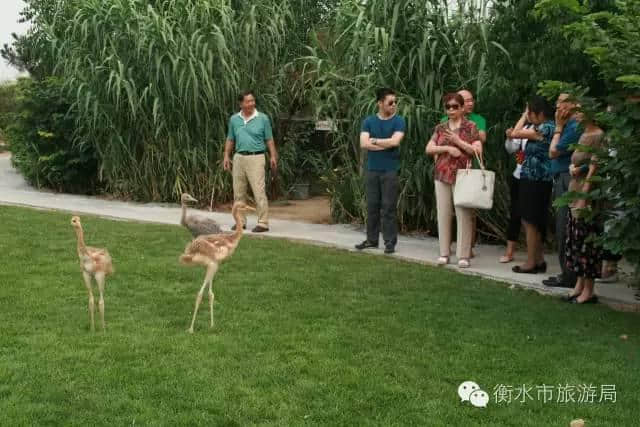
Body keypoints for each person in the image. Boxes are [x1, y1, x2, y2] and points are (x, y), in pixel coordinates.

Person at [426, 93, 482, 268]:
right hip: (442, 174)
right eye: (448, 107)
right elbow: (429, 148)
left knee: (463, 214)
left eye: (455, 106)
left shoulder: (471, 126)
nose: (451, 110)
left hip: (463, 175)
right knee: (443, 213)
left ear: (462, 108)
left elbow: (477, 151)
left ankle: (463, 255)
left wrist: (458, 142)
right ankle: (444, 252)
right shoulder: (440, 128)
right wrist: (448, 148)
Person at [355, 88, 406, 254]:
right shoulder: (369, 121)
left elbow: (395, 142)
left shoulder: (399, 121)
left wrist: (375, 141)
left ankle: (390, 242)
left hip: (390, 170)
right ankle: (372, 240)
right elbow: (363, 144)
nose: (394, 105)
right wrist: (384, 144)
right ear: (380, 103)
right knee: (372, 206)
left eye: (395, 102)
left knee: (389, 207)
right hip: (372, 169)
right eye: (390, 102)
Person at [508, 96, 554, 274]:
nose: (528, 116)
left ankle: (530, 262)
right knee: (531, 220)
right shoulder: (541, 127)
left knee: (530, 220)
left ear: (540, 114)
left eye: (531, 113)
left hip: (537, 179)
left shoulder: (546, 128)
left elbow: (514, 133)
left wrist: (522, 118)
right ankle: (538, 259)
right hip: (532, 178)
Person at [223, 90, 278, 232]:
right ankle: (241, 221)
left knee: (259, 191)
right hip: (239, 157)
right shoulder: (234, 119)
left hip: (256, 157)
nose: (251, 103)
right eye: (248, 101)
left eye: (253, 100)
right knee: (238, 192)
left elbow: (269, 139)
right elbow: (230, 139)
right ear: (241, 104)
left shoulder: (263, 118)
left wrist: (273, 156)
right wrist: (226, 156)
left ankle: (263, 223)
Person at [542, 94, 582, 287]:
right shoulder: (569, 125)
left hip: (567, 179)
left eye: (561, 102)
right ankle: (566, 272)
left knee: (564, 227)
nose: (557, 107)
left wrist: (558, 127)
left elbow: (553, 151)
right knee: (561, 226)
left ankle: (569, 275)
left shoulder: (574, 126)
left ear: (573, 104)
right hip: (560, 178)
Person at [563, 118, 605, 303]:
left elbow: (595, 166)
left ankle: (589, 290)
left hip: (587, 195)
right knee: (576, 240)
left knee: (587, 241)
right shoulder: (583, 134)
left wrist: (584, 196)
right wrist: (574, 167)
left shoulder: (599, 135)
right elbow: (578, 160)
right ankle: (579, 285)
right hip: (575, 188)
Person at [500, 115, 531, 263]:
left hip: (534, 178)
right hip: (518, 175)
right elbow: (511, 149)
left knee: (531, 216)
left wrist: (514, 133)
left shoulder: (546, 128)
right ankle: (510, 251)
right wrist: (509, 138)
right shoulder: (524, 128)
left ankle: (533, 255)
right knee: (515, 213)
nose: (528, 115)